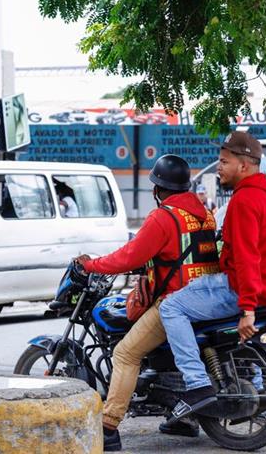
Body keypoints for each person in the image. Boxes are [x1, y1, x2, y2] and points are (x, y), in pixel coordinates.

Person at [75, 154, 220, 451]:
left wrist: (92, 265)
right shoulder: (204, 214)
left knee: (126, 354)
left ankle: (109, 426)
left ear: (157, 189)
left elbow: (130, 256)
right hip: (207, 298)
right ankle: (183, 419)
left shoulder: (163, 217)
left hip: (176, 301)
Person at [159, 131, 266, 421]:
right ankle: (254, 386)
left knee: (171, 307)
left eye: (224, 161)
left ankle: (196, 384)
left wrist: (247, 309)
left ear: (243, 166)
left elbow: (247, 258)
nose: (218, 167)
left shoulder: (244, 201)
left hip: (247, 289)